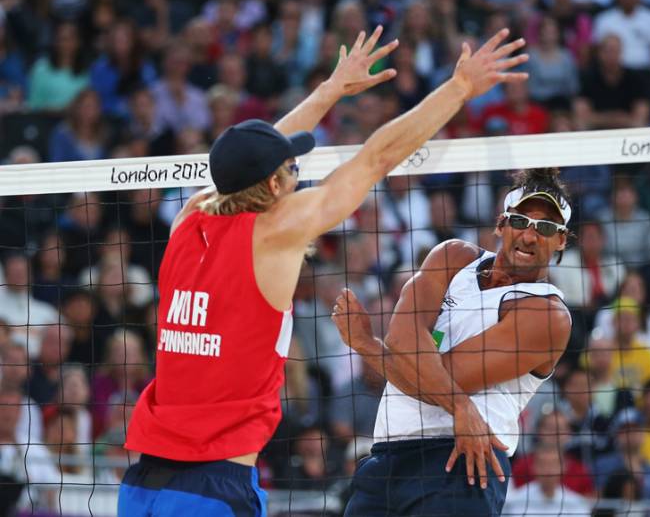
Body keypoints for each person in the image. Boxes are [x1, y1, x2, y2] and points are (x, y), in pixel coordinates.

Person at [120, 26, 530, 516]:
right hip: (212, 485)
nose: (297, 171)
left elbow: (253, 157)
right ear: (273, 185)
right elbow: (376, 158)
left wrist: (331, 88)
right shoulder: (275, 231)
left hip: (143, 479)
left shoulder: (191, 216)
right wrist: (460, 86)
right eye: (290, 169)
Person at [332, 167, 572, 515]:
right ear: (501, 223)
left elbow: (435, 376)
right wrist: (461, 406)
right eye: (521, 221)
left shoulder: (547, 316)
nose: (531, 236)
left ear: (561, 240)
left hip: (463, 462)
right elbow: (401, 341)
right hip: (386, 456)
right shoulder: (453, 257)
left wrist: (368, 345)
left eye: (547, 228)